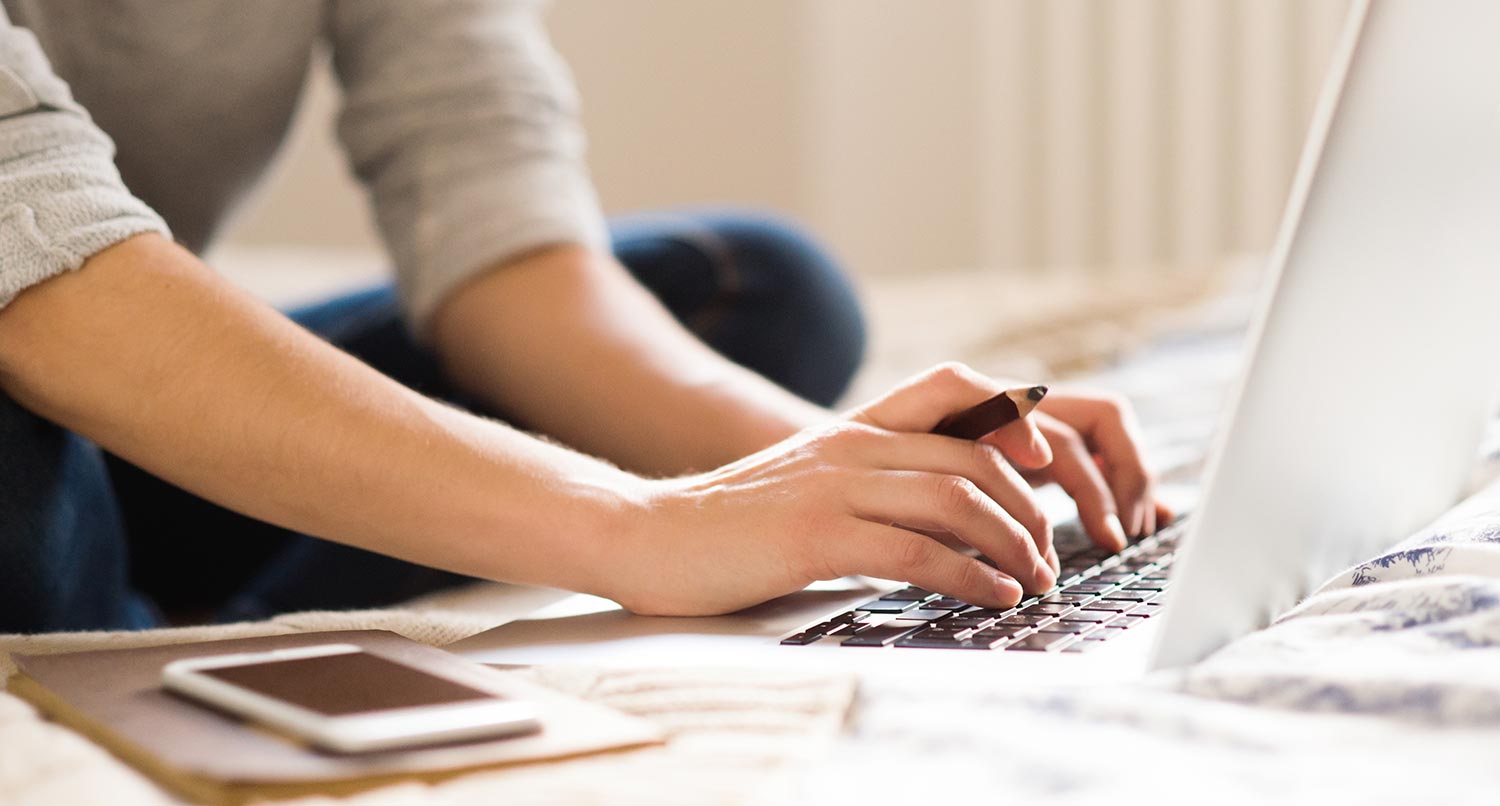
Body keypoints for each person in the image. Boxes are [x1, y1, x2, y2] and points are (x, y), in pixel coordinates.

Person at [0, 1, 1163, 634]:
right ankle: (139, 619)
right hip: (38, 353)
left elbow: (500, 238)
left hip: (118, 394)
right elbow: (41, 276)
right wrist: (635, 528)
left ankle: (185, 606)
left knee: (759, 284)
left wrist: (856, 473)